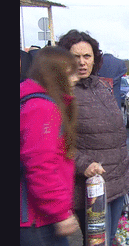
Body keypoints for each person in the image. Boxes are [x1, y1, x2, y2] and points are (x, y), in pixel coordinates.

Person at [58, 29, 129, 245]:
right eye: (75, 57)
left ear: (94, 59)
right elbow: (57, 141)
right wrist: (83, 164)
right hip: (90, 186)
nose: (82, 62)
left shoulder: (101, 86)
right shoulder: (62, 93)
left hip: (118, 182)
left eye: (87, 56)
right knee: (96, 242)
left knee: (109, 239)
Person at [20, 46, 80, 245]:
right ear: (58, 75)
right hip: (38, 219)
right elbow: (40, 166)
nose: (76, 79)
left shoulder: (30, 99)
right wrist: (61, 213)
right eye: (71, 73)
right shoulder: (42, 108)